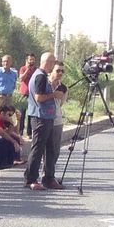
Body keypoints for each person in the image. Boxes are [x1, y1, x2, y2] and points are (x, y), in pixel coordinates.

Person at [24, 51, 64, 191]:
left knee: (50, 149)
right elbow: (39, 97)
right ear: (47, 62)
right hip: (40, 117)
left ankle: (49, 178)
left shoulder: (41, 75)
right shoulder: (40, 76)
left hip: (47, 117)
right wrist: (54, 94)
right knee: (38, 148)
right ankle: (31, 179)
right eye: (52, 62)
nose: (53, 65)